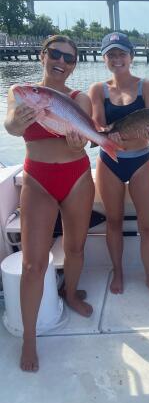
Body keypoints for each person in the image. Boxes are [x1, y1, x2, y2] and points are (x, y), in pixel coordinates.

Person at [4, 35, 95, 372]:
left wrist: (77, 142)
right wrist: (20, 119)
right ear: (42, 56)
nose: (61, 61)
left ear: (74, 65)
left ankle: (70, 294)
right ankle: (29, 338)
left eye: (69, 58)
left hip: (77, 178)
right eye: (55, 54)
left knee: (75, 247)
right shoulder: (21, 92)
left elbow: (80, 145)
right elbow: (11, 126)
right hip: (38, 180)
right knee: (33, 263)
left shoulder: (79, 98)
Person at [88, 32, 149, 301]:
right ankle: (118, 272)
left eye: (122, 53)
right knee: (114, 221)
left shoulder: (148, 87)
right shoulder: (98, 89)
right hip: (109, 162)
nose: (117, 59)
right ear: (104, 58)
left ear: (131, 56)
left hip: (141, 160)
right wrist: (107, 132)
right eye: (111, 54)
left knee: (148, 225)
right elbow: (97, 125)